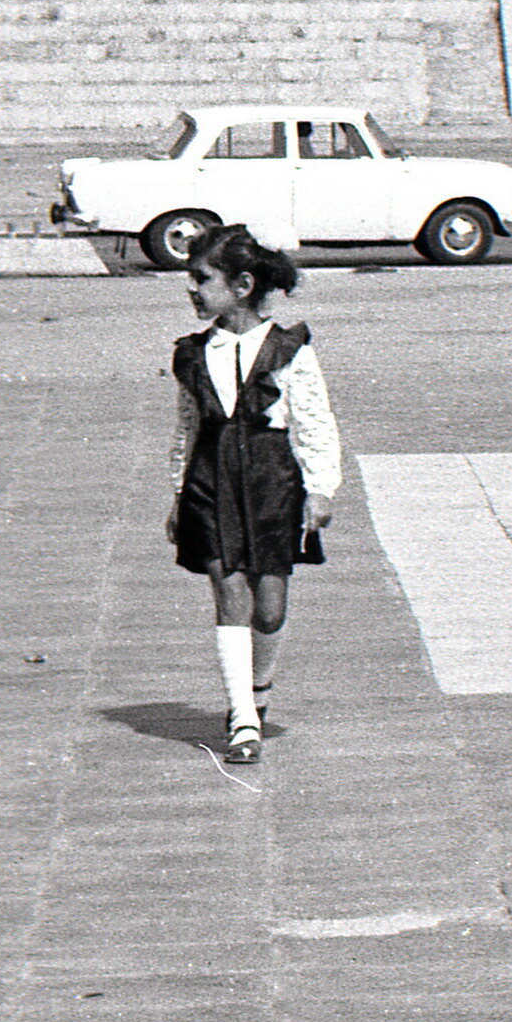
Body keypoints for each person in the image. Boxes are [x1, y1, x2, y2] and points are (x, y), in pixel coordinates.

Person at [167, 223, 342, 766]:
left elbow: (314, 422)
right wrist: (177, 494)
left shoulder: (290, 350)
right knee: (230, 595)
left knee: (269, 607)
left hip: (272, 485)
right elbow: (186, 428)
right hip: (210, 483)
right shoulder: (193, 355)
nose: (192, 290)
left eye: (202, 279)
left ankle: (258, 690)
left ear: (242, 286)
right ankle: (241, 716)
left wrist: (322, 488)